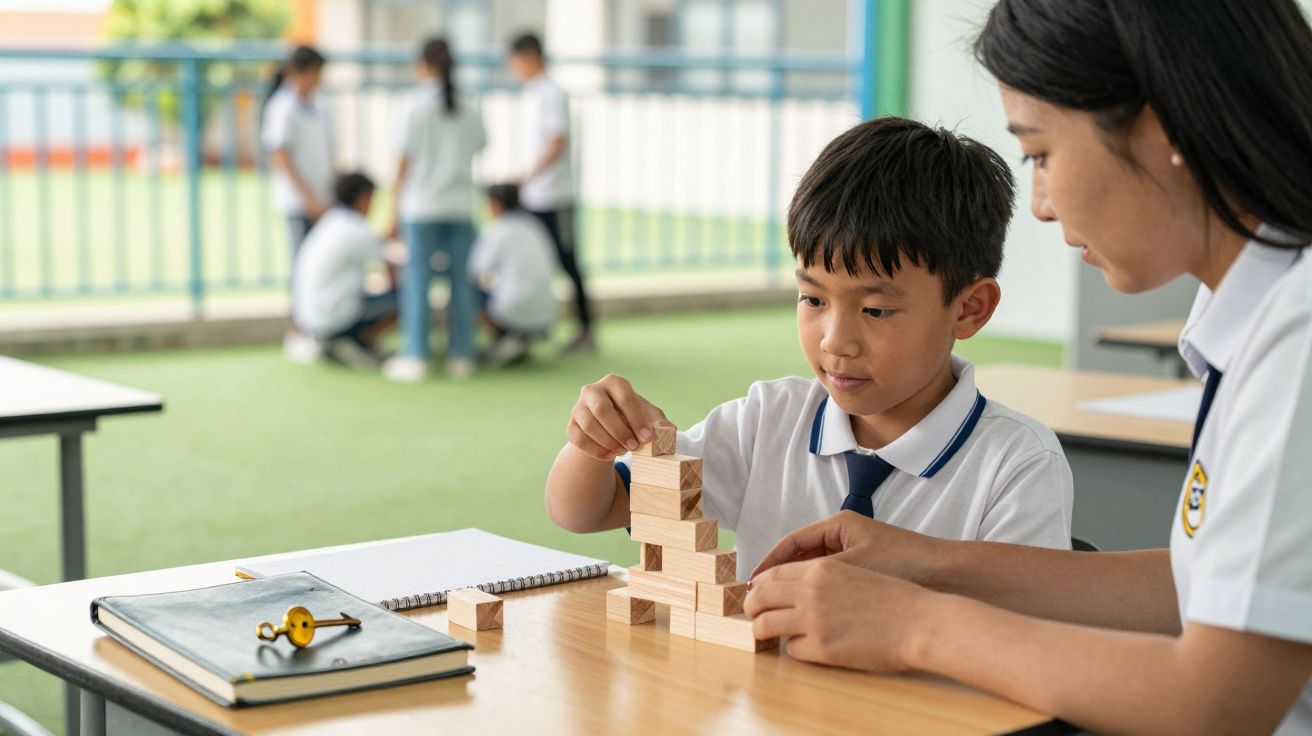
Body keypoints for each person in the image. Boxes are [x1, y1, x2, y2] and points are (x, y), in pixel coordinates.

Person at [744, 1, 1312, 733]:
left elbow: (1214, 703)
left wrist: (916, 624)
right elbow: (1203, 589)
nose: (1039, 204)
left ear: (1160, 128)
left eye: (1040, 153)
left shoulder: (1297, 339)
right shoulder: (1263, 314)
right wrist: (925, 563)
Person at [545, 117, 1074, 580]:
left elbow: (1019, 631)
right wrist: (593, 446)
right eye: (812, 298)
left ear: (969, 309)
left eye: (876, 310)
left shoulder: (1017, 465)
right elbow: (588, 510)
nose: (835, 341)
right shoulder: (768, 422)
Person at [383, 37, 486, 383]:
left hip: (422, 206)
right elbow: (480, 145)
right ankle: (462, 354)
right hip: (459, 206)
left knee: (418, 282)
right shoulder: (469, 106)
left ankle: (417, 355)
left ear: (422, 64)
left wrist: (391, 208)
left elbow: (403, 161)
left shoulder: (412, 106)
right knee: (461, 282)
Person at [506, 32, 595, 355]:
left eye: (515, 62)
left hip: (554, 195)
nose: (514, 69)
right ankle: (537, 325)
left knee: (567, 262)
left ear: (529, 57)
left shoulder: (552, 93)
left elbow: (557, 142)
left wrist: (527, 176)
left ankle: (586, 330)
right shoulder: (532, 94)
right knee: (535, 261)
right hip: (535, 195)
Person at [262, 45, 334, 363]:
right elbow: (281, 157)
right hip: (299, 203)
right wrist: (308, 199)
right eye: (315, 73)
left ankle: (315, 326)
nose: (318, 80)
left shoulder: (317, 106)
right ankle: (297, 329)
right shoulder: (282, 107)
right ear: (298, 72)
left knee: (319, 265)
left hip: (321, 200)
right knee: (302, 265)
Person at [291, 172, 397, 368]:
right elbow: (390, 266)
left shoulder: (329, 222)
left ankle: (340, 341)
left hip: (309, 320)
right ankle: (351, 341)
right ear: (364, 198)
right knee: (404, 298)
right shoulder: (356, 229)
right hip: (334, 318)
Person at [469, 183, 558, 367]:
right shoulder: (535, 226)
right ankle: (519, 338)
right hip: (547, 311)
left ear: (494, 205)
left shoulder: (496, 230)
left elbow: (474, 271)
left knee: (467, 292)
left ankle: (506, 337)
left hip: (514, 309)